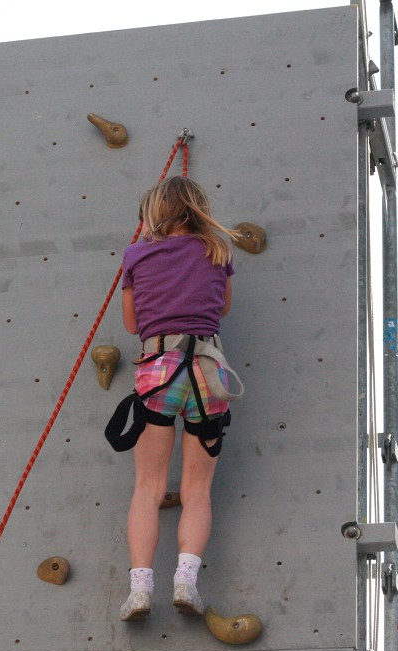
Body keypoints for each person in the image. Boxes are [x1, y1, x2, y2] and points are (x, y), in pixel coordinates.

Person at [110, 175, 242, 622]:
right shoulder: (217, 250)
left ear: (154, 212)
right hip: (209, 371)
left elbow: (131, 325)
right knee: (197, 489)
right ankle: (186, 582)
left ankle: (140, 591)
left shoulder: (135, 255)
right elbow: (222, 310)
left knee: (148, 488)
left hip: (159, 370)